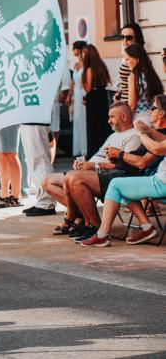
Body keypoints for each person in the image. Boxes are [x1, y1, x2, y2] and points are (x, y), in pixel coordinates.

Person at [41, 102, 141, 240]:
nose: (108, 121)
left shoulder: (134, 136)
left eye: (112, 117)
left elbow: (126, 166)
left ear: (124, 117)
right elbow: (100, 156)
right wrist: (84, 164)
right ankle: (81, 214)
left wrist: (94, 166)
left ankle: (92, 224)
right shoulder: (113, 135)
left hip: (110, 176)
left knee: (74, 178)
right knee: (47, 181)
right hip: (92, 171)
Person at [80, 117, 166, 247]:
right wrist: (149, 130)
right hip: (159, 180)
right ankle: (146, 227)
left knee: (115, 184)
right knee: (122, 186)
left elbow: (157, 149)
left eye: (152, 108)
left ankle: (102, 235)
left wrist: (140, 133)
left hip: (161, 183)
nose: (149, 112)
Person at [82, 44, 113, 157]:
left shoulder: (89, 69)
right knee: (102, 125)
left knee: (93, 126)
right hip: (102, 96)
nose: (83, 55)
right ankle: (103, 150)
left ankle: (93, 152)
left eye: (84, 53)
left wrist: (82, 81)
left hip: (93, 98)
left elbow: (88, 87)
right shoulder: (101, 66)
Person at [123, 43, 164, 123]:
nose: (126, 63)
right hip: (155, 118)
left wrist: (127, 122)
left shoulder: (133, 77)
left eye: (127, 59)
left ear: (137, 59)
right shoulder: (152, 75)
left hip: (140, 118)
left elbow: (132, 105)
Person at [114, 23, 146, 103]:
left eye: (129, 38)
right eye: (122, 37)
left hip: (133, 106)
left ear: (136, 38)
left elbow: (140, 85)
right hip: (124, 102)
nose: (124, 41)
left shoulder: (138, 57)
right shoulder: (129, 55)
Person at [68, 41, 88, 157]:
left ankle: (85, 149)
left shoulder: (86, 65)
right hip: (76, 94)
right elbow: (72, 83)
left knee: (83, 120)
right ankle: (78, 149)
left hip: (82, 92)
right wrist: (69, 96)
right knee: (77, 121)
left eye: (74, 48)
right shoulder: (75, 65)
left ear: (79, 50)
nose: (73, 51)